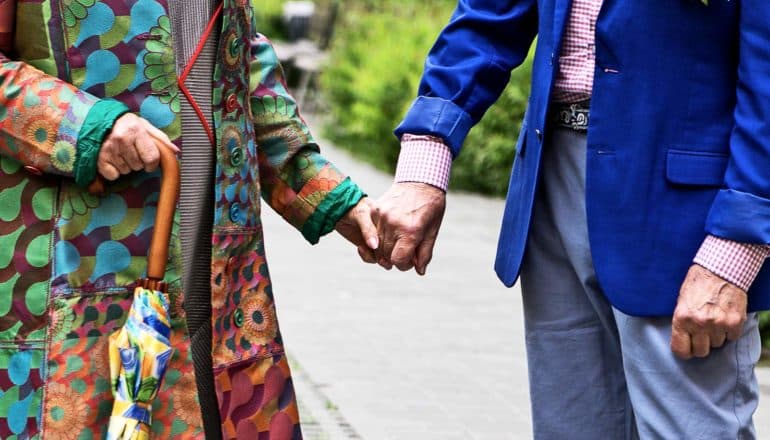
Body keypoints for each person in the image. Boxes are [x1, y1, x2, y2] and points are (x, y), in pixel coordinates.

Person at [372, 1, 770, 438]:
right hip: (551, 183)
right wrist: (424, 162)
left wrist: (737, 244)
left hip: (681, 213)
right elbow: (486, 17)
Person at [0, 0, 379, 438]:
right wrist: (82, 125)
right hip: (71, 275)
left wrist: (330, 196)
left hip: (222, 289)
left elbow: (242, 62)